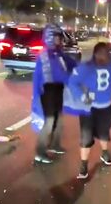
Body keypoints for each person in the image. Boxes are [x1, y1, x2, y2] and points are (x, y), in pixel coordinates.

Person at [66, 42, 111, 179]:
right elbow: (72, 82)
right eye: (102, 54)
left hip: (106, 107)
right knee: (86, 137)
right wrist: (82, 96)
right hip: (88, 109)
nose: (105, 57)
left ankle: (104, 152)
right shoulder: (85, 67)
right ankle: (83, 165)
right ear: (95, 54)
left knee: (104, 132)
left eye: (107, 54)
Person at [31, 24, 77, 164]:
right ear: (51, 37)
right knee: (49, 122)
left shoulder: (57, 53)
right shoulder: (46, 56)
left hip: (57, 90)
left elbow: (69, 63)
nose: (60, 40)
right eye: (58, 37)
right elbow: (59, 74)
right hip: (47, 92)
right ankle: (40, 152)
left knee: (59, 120)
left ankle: (55, 145)